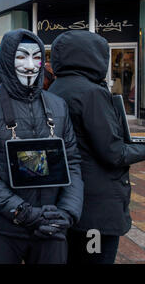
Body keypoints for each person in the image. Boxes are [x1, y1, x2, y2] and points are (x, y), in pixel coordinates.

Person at [0, 29, 83, 264]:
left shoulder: (58, 106)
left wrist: (67, 212)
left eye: (37, 57)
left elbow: (73, 162)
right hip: (2, 229)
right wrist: (19, 211)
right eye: (21, 57)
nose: (30, 66)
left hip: (51, 226)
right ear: (8, 60)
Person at [48, 30, 145, 264]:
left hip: (69, 197)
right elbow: (113, 152)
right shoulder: (91, 92)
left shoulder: (56, 88)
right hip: (97, 206)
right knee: (95, 257)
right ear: (92, 56)